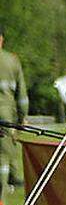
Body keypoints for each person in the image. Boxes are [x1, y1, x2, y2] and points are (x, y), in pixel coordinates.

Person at [0, 26, 28, 194]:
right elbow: (22, 97)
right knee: (3, 158)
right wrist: (21, 119)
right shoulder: (12, 60)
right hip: (4, 115)